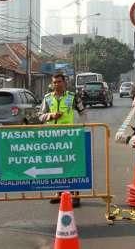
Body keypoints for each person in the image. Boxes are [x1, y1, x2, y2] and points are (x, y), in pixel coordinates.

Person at [39, 73, 87, 207]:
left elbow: (83, 112)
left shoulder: (72, 97)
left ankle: (75, 194)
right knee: (56, 165)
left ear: (64, 83)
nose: (56, 84)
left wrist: (81, 128)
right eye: (54, 82)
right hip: (53, 138)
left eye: (59, 82)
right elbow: (40, 116)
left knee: (72, 164)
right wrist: (51, 115)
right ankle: (58, 193)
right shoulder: (47, 98)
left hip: (70, 137)